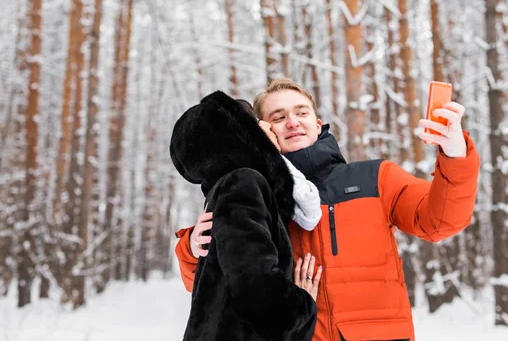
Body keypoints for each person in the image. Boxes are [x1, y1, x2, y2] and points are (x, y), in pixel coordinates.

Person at [175, 79, 481, 341]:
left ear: (317, 123)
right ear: (261, 130)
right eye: (278, 117)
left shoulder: (375, 178)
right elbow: (221, 288)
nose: (292, 122)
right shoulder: (253, 194)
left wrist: (454, 151)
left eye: (301, 112)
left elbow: (441, 221)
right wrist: (191, 248)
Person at [170, 91, 322, 341]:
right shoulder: (244, 183)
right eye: (255, 124)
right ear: (240, 137)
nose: (267, 128)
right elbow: (255, 287)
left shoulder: (223, 190)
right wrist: (302, 306)